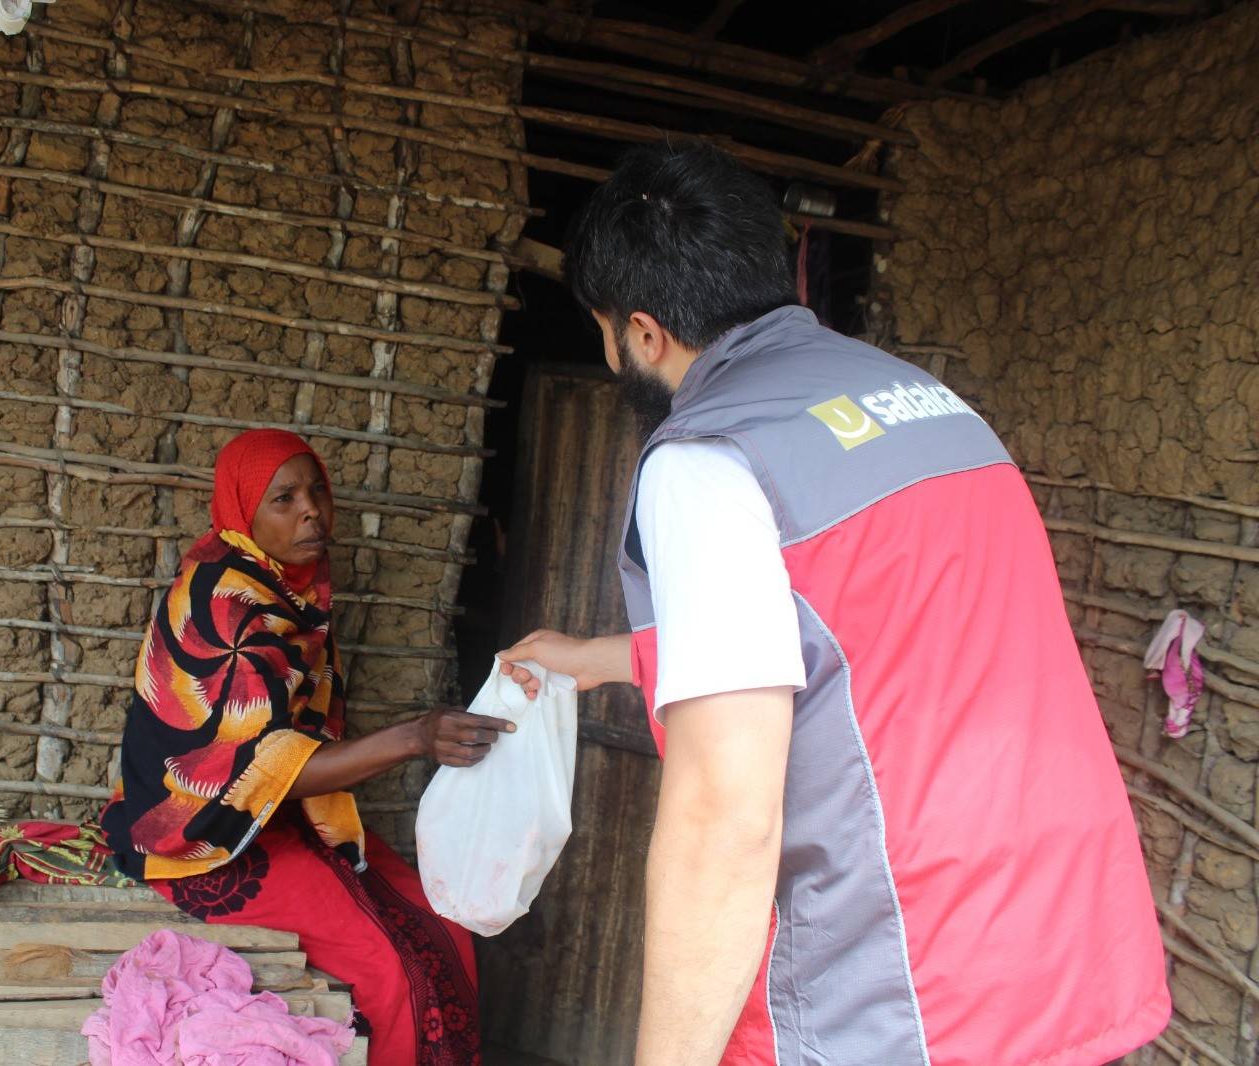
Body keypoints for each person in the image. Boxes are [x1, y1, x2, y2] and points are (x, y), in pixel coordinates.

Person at [497, 143, 1170, 1066]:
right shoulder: (929, 405)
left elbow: (724, 818)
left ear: (642, 335)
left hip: (908, 980)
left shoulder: (712, 460)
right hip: (1067, 941)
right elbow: (866, 640)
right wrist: (593, 657)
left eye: (604, 332)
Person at [101, 428, 508, 1066]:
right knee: (390, 967)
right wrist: (416, 737)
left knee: (445, 925)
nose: (311, 509)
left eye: (315, 489)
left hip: (278, 813)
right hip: (201, 837)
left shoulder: (282, 585)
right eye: (284, 499)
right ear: (244, 512)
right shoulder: (230, 608)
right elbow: (255, 773)